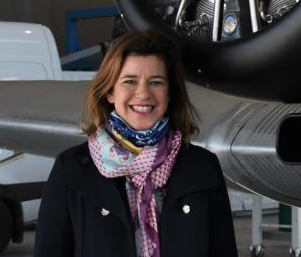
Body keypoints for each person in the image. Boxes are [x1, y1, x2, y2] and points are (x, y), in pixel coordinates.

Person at [35, 30, 237, 257]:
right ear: (110, 91)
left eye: (156, 82)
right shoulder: (70, 169)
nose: (143, 93)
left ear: (170, 94)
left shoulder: (202, 166)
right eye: (130, 81)